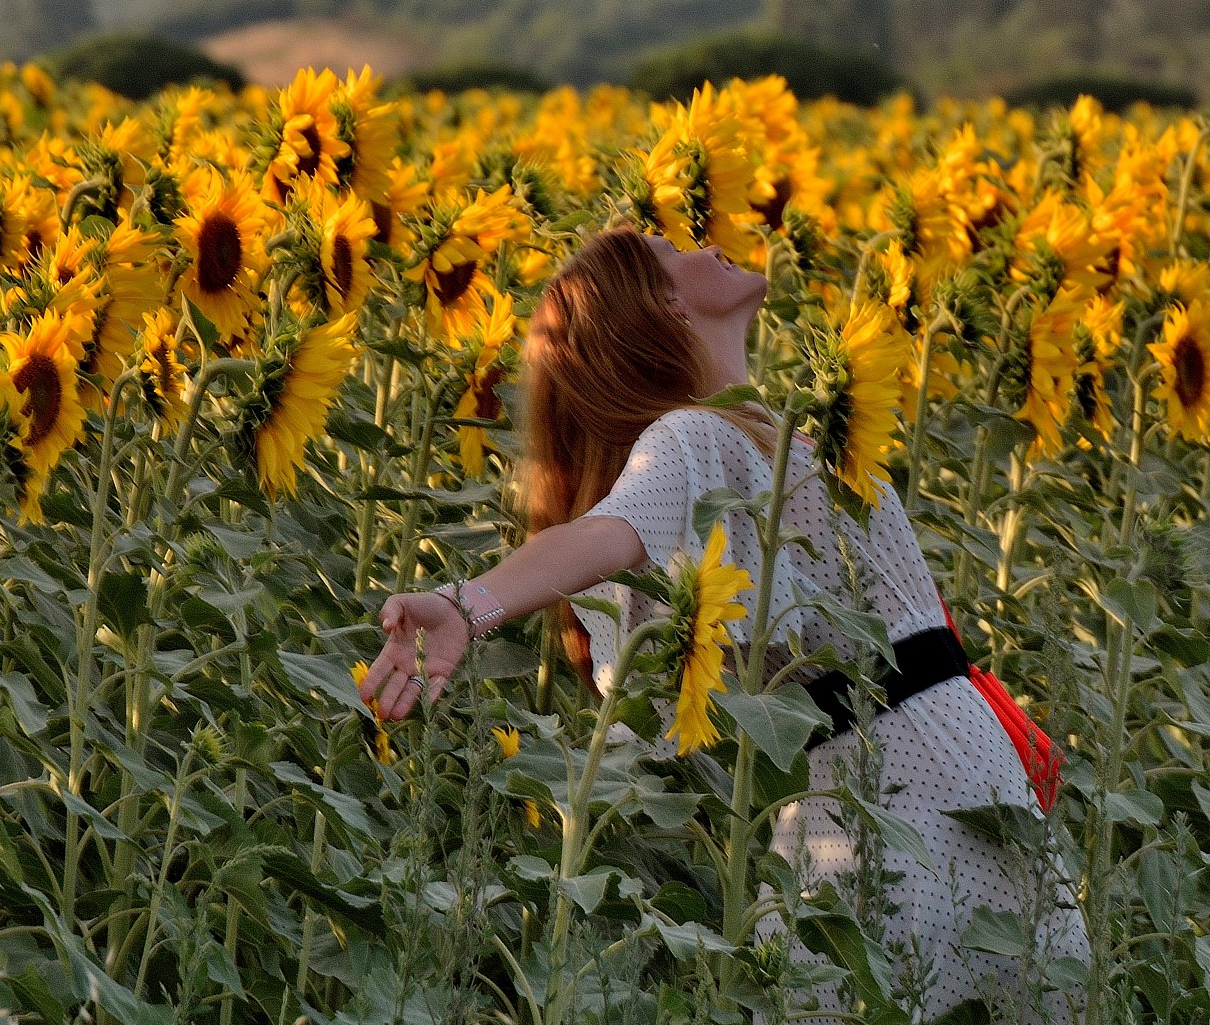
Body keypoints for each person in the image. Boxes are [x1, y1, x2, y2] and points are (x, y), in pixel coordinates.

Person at [359, 227, 1088, 1017]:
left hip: (952, 784)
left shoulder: (773, 435)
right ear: (667, 304)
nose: (708, 246)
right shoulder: (691, 436)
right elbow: (608, 533)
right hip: (888, 808)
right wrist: (468, 604)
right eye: (675, 249)